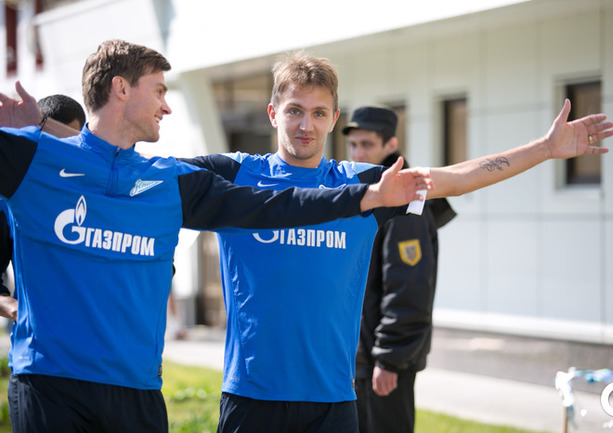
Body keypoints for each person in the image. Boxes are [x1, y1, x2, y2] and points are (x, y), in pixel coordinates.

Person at [0, 40, 431, 433]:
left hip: (142, 392)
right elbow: (112, 161)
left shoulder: (169, 182)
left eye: (319, 113)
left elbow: (276, 206)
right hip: (54, 382)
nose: (167, 106)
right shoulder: (39, 160)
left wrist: (370, 196)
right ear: (121, 88)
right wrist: (46, 132)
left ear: (333, 118)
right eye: (159, 91)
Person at [177, 51, 613, 433]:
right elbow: (153, 177)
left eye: (318, 113)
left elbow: (456, 178)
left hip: (331, 402)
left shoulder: (364, 185)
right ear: (273, 113)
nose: (306, 125)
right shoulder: (236, 175)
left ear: (334, 118)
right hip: (252, 397)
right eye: (294, 110)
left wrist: (545, 148)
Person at [344, 105, 455, 433]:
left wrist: (390, 358)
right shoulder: (370, 193)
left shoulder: (406, 202)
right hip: (362, 358)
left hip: (383, 364)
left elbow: (409, 287)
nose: (358, 153)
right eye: (353, 145)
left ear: (391, 145)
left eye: (367, 144)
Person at [0, 93, 86, 320]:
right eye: (50, 142)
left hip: (107, 337)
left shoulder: (105, 191)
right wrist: (20, 311)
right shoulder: (9, 200)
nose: (59, 151)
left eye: (68, 141)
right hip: (39, 339)